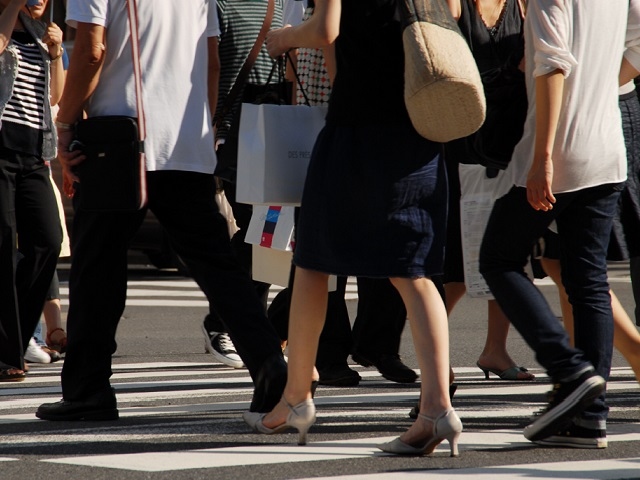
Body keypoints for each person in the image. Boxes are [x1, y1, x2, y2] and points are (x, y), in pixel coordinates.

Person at [36, 0, 287, 421]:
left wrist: (64, 123)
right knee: (217, 265)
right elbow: (210, 61)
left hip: (119, 139)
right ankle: (268, 363)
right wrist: (202, 129)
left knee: (97, 269)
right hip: (186, 139)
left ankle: (88, 389)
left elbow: (91, 50)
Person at [243, 0, 462, 456]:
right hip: (421, 126)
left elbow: (325, 29)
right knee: (414, 271)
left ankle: (296, 398)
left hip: (357, 130)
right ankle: (438, 408)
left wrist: (284, 38)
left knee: (313, 261)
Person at [479, 0, 640, 448]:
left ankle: (569, 371)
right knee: (586, 280)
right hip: (607, 149)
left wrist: (543, 158)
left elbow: (551, 65)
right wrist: (597, 90)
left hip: (560, 152)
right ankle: (591, 416)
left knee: (498, 260)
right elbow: (638, 47)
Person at [443, 0, 533, 382]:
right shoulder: (456, 4)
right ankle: (437, 357)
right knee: (457, 263)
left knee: (507, 252)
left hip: (512, 140)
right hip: (463, 138)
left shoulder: (523, 4)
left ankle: (495, 349)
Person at [0, 0, 64, 382]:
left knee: (47, 241)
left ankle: (17, 338)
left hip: (35, 153)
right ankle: (9, 353)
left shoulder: (44, 34)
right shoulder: (6, 22)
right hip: (1, 151)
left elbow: (55, 97)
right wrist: (11, 8)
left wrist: (56, 54)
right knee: (4, 245)